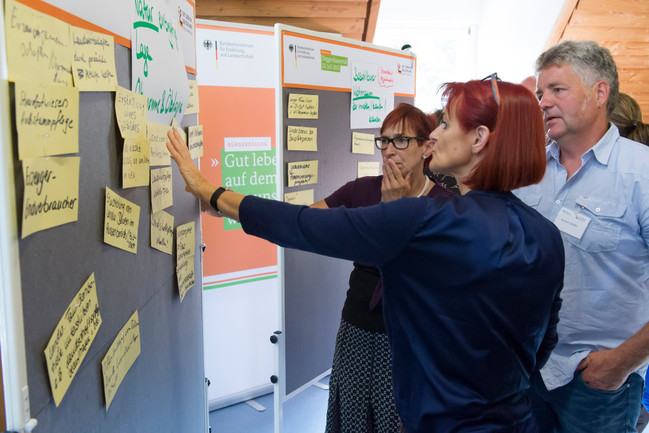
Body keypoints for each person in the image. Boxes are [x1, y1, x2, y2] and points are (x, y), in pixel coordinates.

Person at [167, 77, 564, 433]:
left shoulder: (427, 221)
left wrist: (210, 191)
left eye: (445, 123)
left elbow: (302, 225)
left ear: (478, 139)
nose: (436, 135)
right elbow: (543, 342)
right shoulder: (547, 236)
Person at [515, 39, 649, 433]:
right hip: (527, 370)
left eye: (557, 90)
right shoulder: (530, 169)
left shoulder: (640, 173)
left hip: (598, 383)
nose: (542, 103)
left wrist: (622, 361)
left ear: (599, 92)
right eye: (541, 93)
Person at [309, 103, 456, 433]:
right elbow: (308, 222)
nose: (389, 150)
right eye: (384, 141)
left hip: (413, 333)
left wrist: (395, 211)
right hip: (359, 324)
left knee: (398, 417)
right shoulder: (362, 189)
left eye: (401, 140)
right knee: (354, 414)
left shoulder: (445, 202)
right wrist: (238, 208)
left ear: (426, 147)